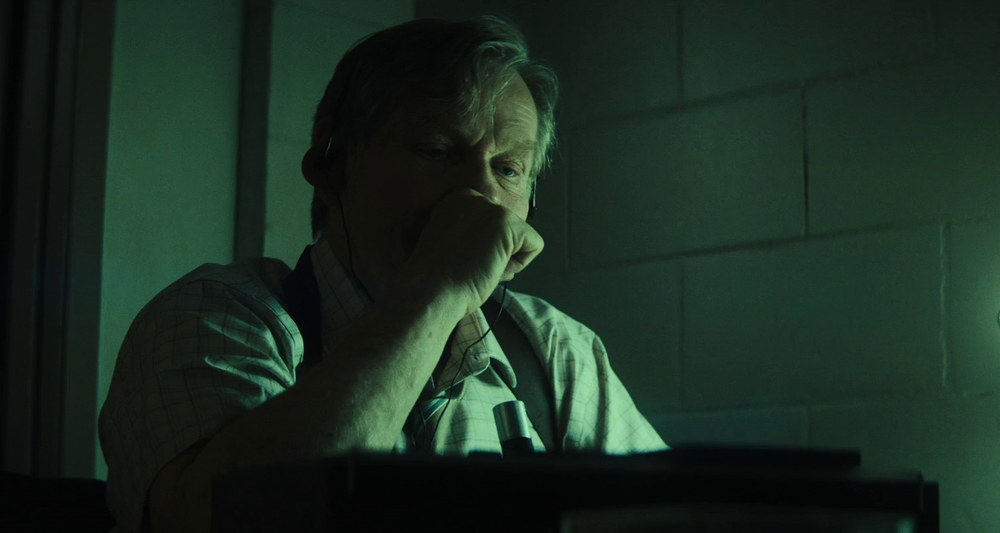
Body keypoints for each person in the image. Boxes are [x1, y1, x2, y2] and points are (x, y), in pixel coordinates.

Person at [97, 14, 667, 533]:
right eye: (436, 149)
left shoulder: (556, 352)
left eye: (509, 169)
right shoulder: (214, 317)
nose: (481, 195)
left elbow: (674, 517)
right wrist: (436, 291)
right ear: (331, 163)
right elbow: (230, 519)